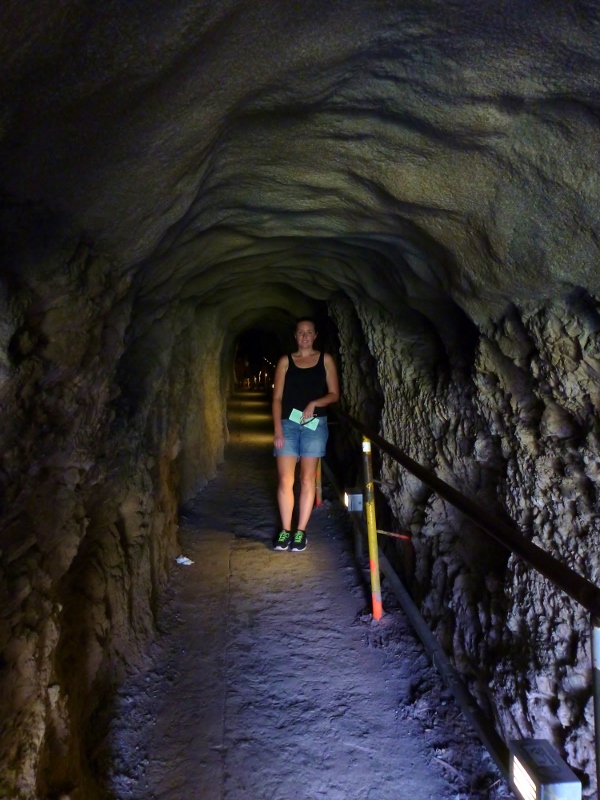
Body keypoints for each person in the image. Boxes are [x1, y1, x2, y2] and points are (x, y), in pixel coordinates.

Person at [272, 317, 340, 551]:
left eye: (309, 332)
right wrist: (278, 429)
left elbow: (334, 394)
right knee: (285, 480)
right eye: (301, 332)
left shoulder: (325, 360)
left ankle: (300, 532)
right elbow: (277, 398)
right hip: (288, 424)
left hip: (314, 423)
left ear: (315, 335)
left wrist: (313, 403)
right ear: (295, 336)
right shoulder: (285, 362)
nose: (305, 336)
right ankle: (285, 530)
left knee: (307, 479)